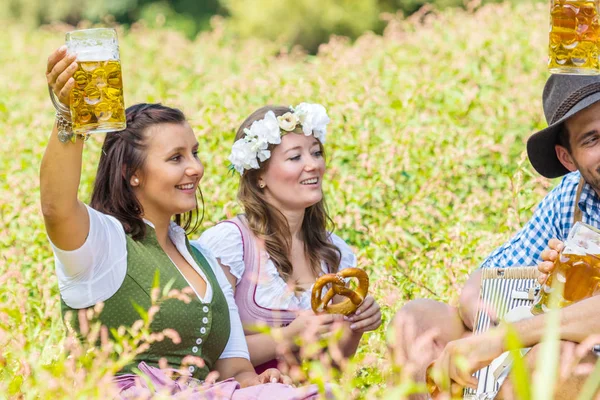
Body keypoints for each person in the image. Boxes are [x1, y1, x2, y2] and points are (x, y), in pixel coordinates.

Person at [42, 45, 326, 398]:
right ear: (132, 173)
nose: (195, 167)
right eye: (176, 158)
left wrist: (263, 382)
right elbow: (56, 208)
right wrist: (70, 117)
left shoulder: (203, 258)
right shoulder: (103, 243)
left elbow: (236, 370)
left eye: (194, 153)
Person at [389, 74, 600, 399]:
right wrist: (491, 322)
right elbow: (482, 283)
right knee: (417, 320)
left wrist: (504, 339)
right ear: (567, 158)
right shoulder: (571, 197)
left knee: (559, 357)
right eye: (592, 139)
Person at [195, 104, 382, 372]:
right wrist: (290, 336)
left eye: (316, 153)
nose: (313, 165)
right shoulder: (230, 244)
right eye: (295, 157)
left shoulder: (333, 250)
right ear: (259, 176)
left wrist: (356, 325)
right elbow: (205, 350)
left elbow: (331, 368)